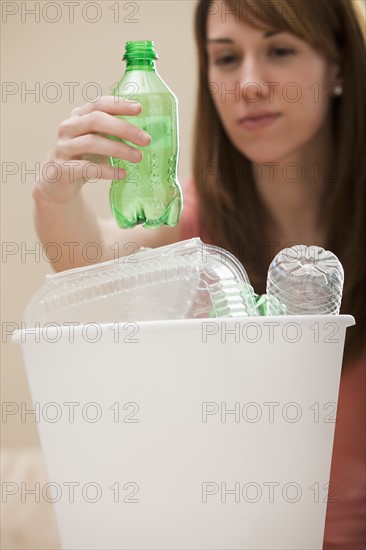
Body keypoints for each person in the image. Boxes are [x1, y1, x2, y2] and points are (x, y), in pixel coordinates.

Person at [32, 0, 365, 547]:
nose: (249, 83)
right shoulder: (191, 218)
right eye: (226, 58)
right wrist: (55, 196)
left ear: (339, 65)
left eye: (279, 50)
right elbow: (89, 266)